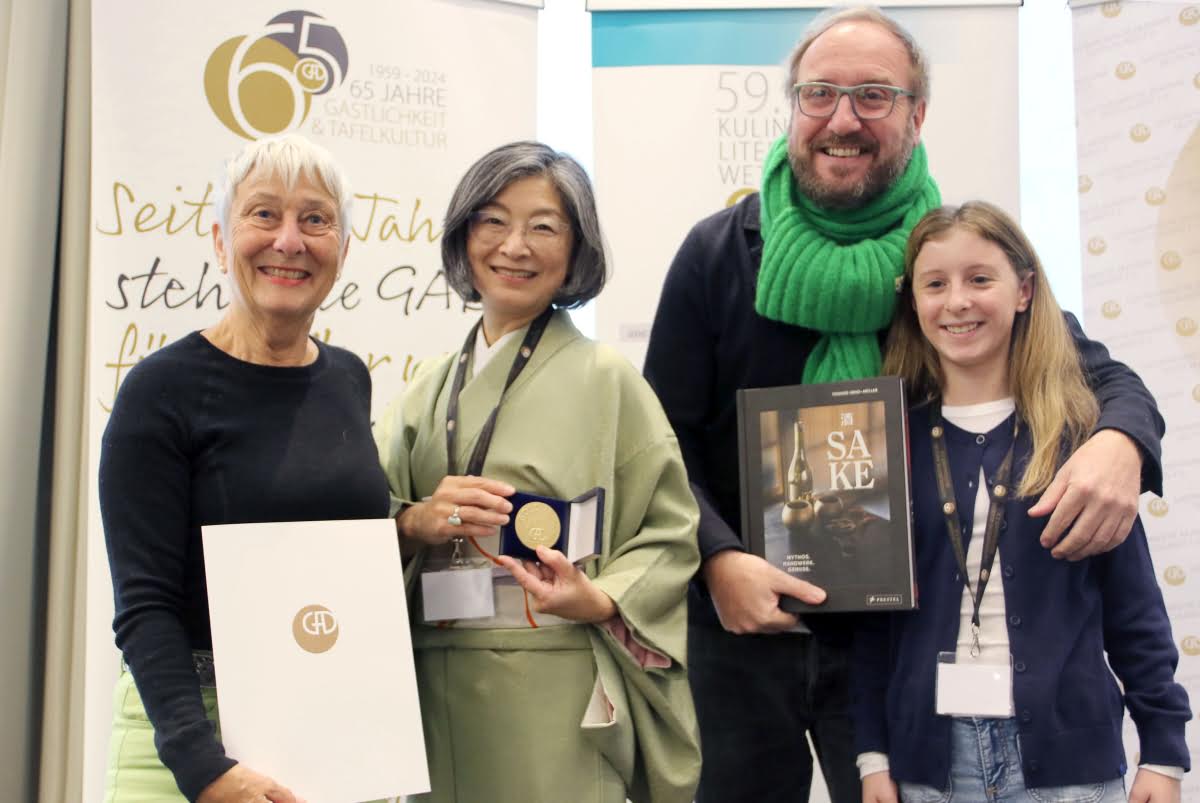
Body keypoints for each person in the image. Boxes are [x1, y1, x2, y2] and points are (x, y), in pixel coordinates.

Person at [642, 7, 1166, 803]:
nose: (842, 119)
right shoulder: (717, 254)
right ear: (792, 108)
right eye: (819, 94)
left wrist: (1121, 443)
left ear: (917, 116)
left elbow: (1101, 376)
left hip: (899, 640)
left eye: (874, 96)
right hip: (741, 631)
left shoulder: (944, 262)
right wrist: (716, 558)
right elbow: (660, 439)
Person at [374, 141, 701, 803]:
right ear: (464, 237)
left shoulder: (608, 380)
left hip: (557, 683)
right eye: (493, 221)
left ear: (576, 249)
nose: (514, 246)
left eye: (543, 227)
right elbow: (363, 519)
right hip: (434, 680)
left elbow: (670, 531)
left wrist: (601, 599)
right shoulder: (425, 390)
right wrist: (413, 523)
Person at [852, 200, 1190, 803]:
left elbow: (1134, 606)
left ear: (1025, 291)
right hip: (930, 766)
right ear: (914, 302)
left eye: (980, 279)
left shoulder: (1081, 441)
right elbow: (875, 624)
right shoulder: (890, 444)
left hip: (1070, 769)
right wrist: (872, 754)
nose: (957, 301)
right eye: (935, 284)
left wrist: (1164, 751)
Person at [100, 135, 389, 803]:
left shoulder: (348, 379)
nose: (289, 240)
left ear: (343, 250)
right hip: (187, 737)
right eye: (264, 213)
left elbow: (337, 552)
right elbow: (144, 604)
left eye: (315, 219)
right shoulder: (159, 391)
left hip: (327, 727)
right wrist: (203, 768)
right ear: (220, 239)